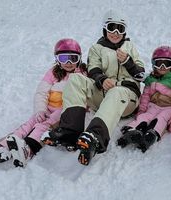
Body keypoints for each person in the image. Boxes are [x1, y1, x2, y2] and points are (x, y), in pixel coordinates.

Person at [46, 9, 145, 166]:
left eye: (120, 28)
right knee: (76, 78)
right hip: (103, 93)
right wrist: (101, 79)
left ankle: (95, 137)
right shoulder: (96, 48)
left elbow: (141, 75)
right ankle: (70, 132)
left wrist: (128, 61)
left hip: (126, 98)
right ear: (105, 28)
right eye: (112, 27)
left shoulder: (130, 47)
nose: (116, 32)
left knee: (116, 91)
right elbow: (93, 69)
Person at [0, 38, 86, 167]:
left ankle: (29, 148)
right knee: (29, 124)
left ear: (79, 58)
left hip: (64, 109)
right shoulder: (53, 73)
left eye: (73, 58)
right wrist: (40, 110)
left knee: (44, 125)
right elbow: (41, 93)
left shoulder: (82, 73)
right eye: (63, 58)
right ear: (57, 59)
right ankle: (3, 147)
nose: (68, 62)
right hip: (48, 108)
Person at [117, 46, 171, 152]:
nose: (163, 67)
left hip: (168, 108)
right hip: (153, 106)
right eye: (159, 63)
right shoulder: (151, 78)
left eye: (167, 63)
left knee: (161, 119)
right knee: (145, 117)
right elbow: (145, 96)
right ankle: (132, 131)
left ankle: (151, 135)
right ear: (154, 64)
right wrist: (141, 110)